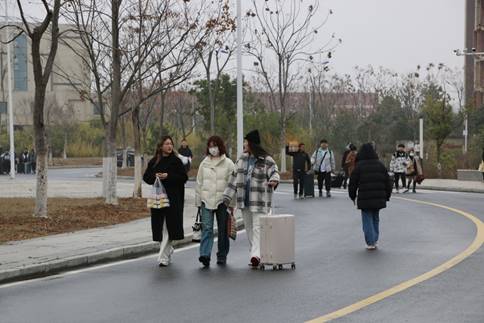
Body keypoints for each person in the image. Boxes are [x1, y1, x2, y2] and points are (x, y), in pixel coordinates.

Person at [223, 130, 280, 268]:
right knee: (249, 228)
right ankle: (256, 253)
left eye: (246, 142)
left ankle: (256, 255)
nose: (244, 144)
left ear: (252, 143)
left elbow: (274, 172)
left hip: (260, 199)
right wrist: (226, 197)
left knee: (257, 228)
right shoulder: (241, 159)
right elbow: (233, 178)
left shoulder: (266, 160)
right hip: (244, 200)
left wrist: (273, 180)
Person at [143, 136, 188, 267]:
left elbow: (183, 177)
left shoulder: (176, 161)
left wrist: (168, 176)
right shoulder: (154, 162)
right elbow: (146, 177)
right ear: (161, 146)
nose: (169, 146)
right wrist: (155, 176)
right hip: (157, 199)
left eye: (171, 144)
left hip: (173, 199)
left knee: (169, 227)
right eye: (167, 144)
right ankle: (167, 249)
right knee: (160, 227)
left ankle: (163, 257)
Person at [195, 136, 235, 267]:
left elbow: (233, 185)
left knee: (223, 230)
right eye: (210, 146)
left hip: (223, 202)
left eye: (215, 146)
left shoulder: (229, 163)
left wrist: (231, 204)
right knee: (207, 228)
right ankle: (205, 255)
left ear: (220, 146)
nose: (213, 149)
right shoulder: (204, 163)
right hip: (206, 201)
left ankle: (222, 255)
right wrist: (198, 202)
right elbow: (199, 183)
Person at [349, 143, 392, 250]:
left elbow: (352, 183)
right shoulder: (380, 165)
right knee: (375, 218)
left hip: (365, 198)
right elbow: (388, 182)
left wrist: (352, 196)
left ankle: (370, 241)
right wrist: (387, 195)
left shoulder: (359, 166)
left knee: (367, 218)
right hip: (378, 197)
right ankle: (375, 239)